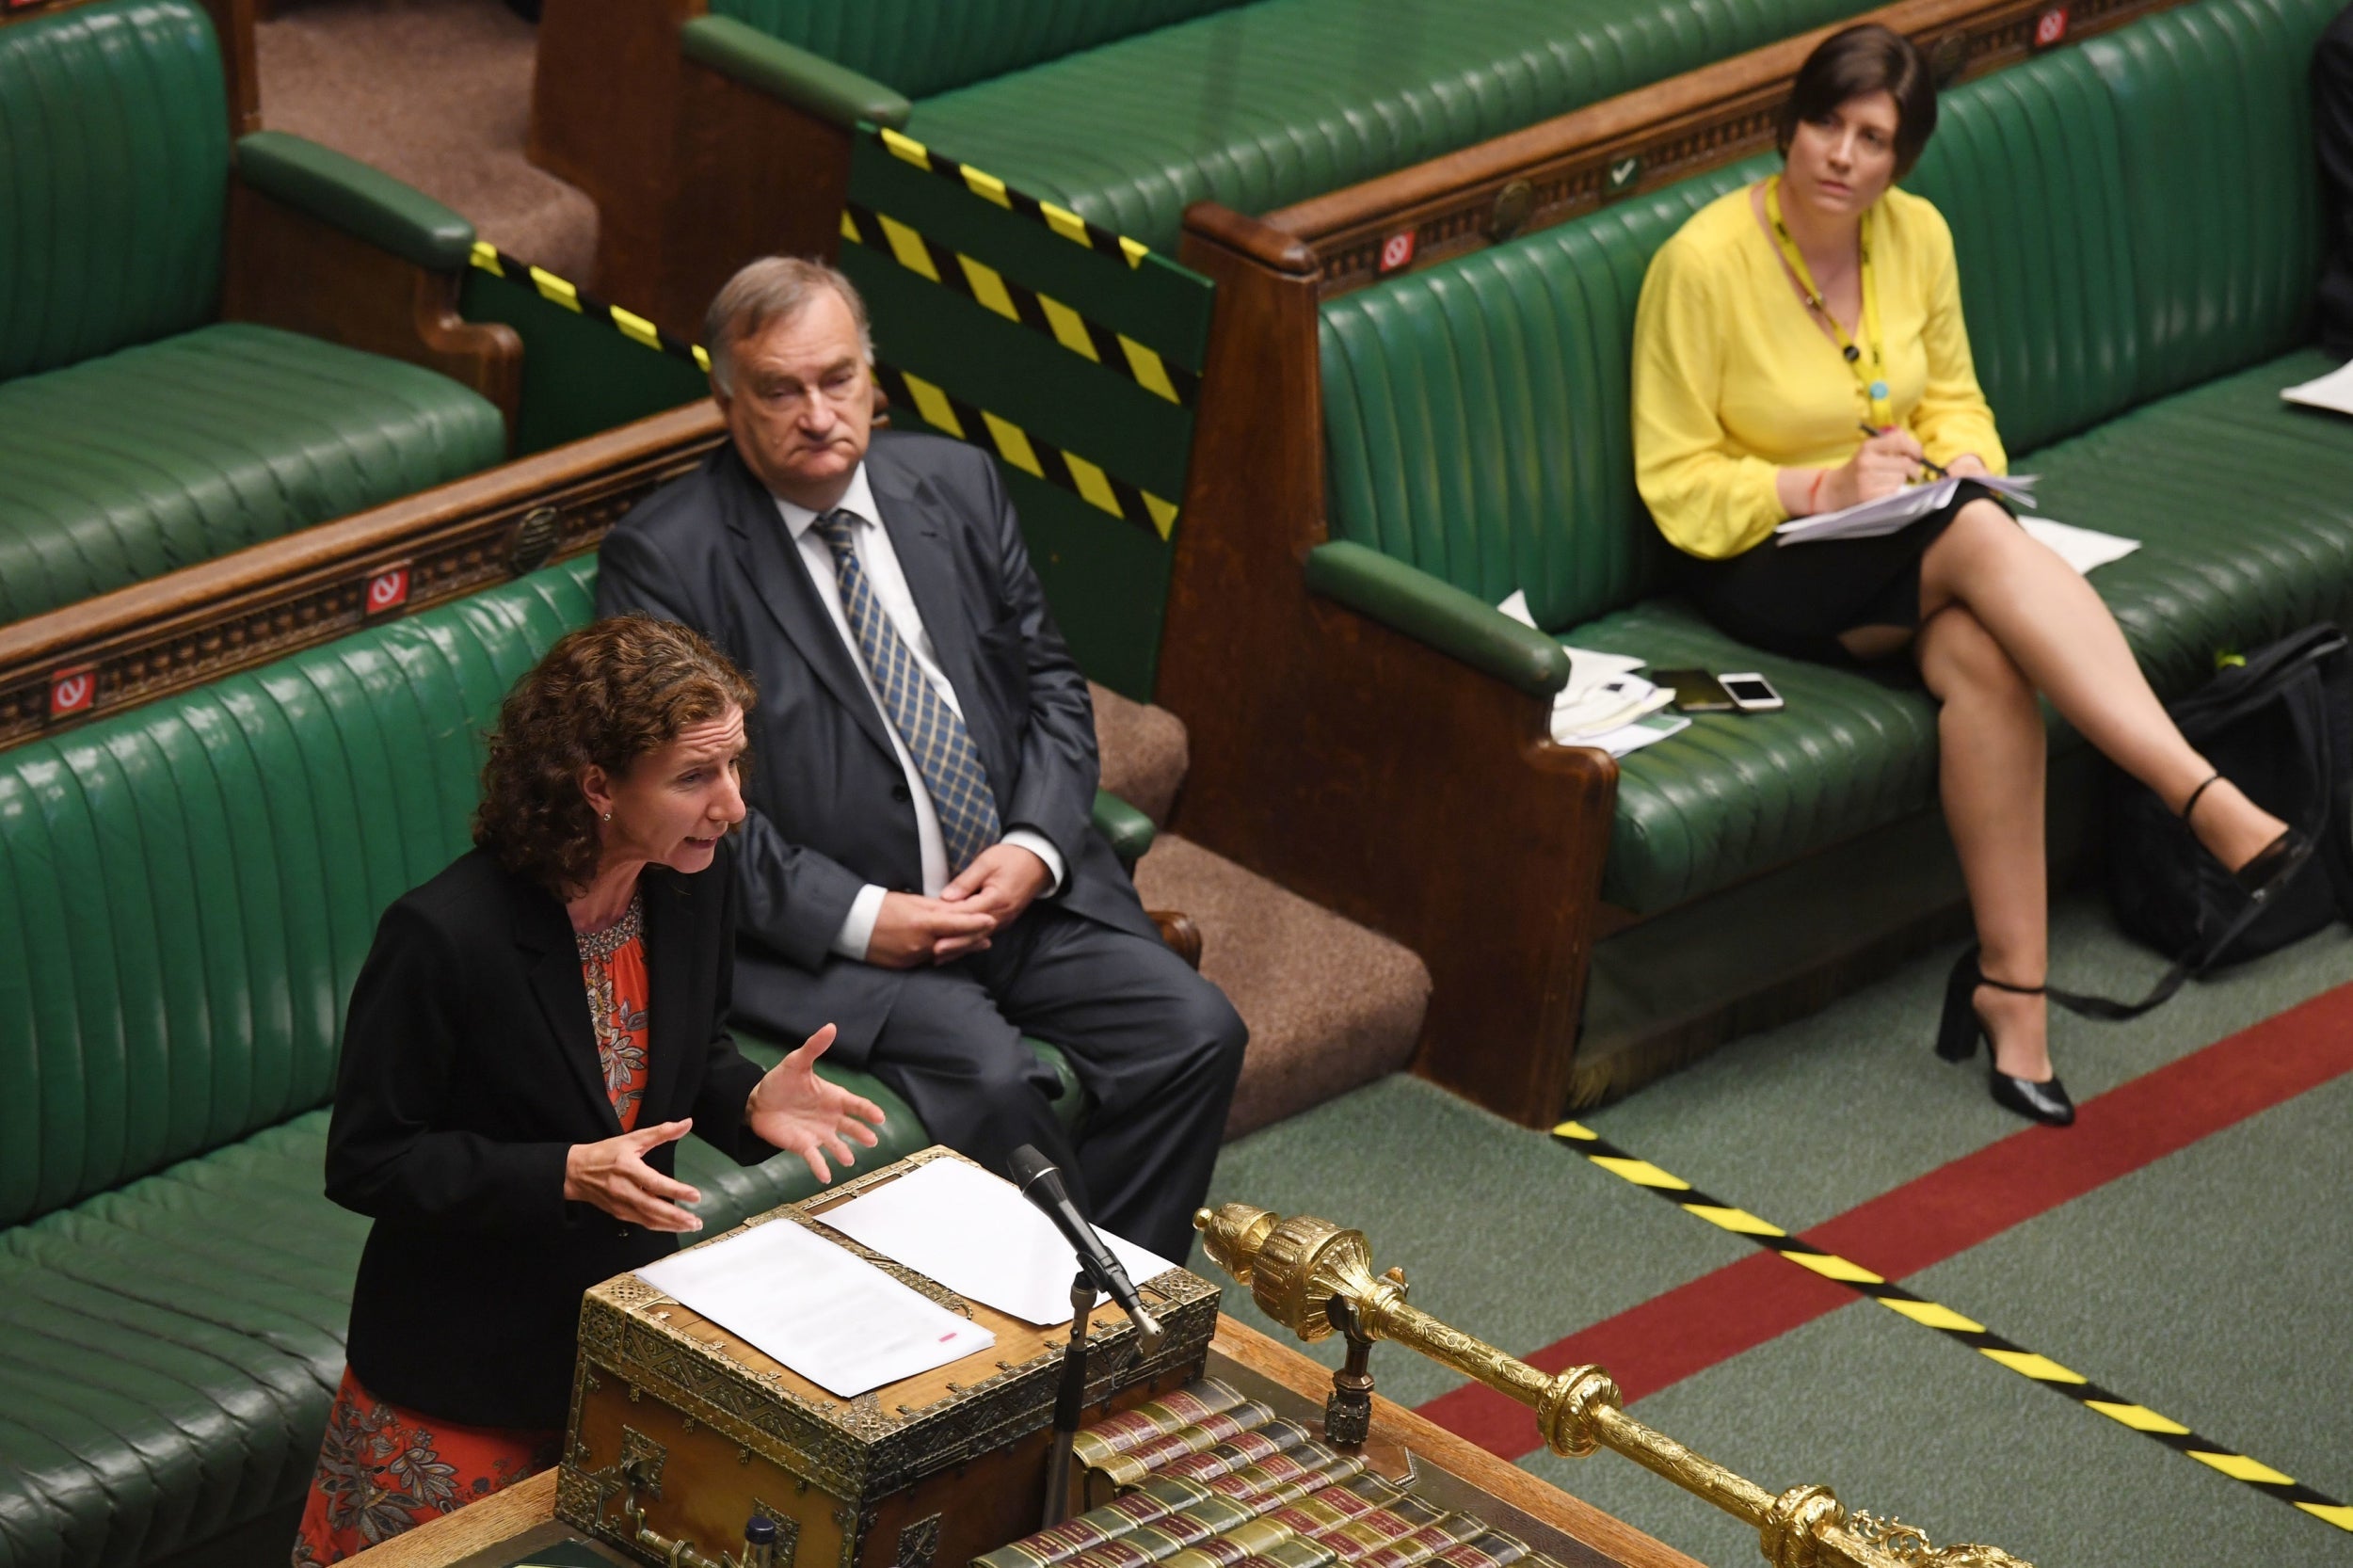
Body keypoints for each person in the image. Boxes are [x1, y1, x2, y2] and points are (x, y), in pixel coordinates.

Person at [1630, 24, 2303, 1126]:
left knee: (1984, 659)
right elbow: (1675, 480)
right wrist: (1820, 490)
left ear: (1903, 159)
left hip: (1902, 529)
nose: (1842, 155)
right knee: (1986, 542)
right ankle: (2199, 793)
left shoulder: (1917, 237)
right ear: (1787, 127)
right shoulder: (1702, 263)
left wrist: (1961, 461)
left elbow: (1951, 395)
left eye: (1872, 138)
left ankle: (2014, 998)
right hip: (1759, 554)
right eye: (1825, 125)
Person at [595, 257, 1246, 1261]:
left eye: (838, 379)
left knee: (1195, 1031)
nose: (817, 413)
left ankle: (1113, 1298)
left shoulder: (956, 481)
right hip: (847, 943)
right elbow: (689, 807)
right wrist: (866, 919)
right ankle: (1076, 1322)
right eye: (780, 389)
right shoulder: (667, 558)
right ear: (726, 400)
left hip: (1019, 893)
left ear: (873, 377)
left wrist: (1033, 844)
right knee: (993, 1081)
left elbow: (1052, 688)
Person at [295, 616, 887, 1564]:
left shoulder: (689, 883)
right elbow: (370, 1159)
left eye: (736, 766)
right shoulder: (444, 936)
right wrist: (561, 1174)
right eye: (695, 777)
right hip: (463, 1367)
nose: (730, 807)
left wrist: (744, 1101)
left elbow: (680, 1055)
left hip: (620, 1348)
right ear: (597, 786)